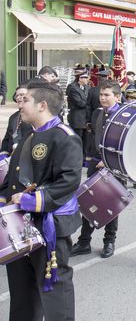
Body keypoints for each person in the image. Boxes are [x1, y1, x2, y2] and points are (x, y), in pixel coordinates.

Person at [0, 79, 82, 320]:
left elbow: (68, 182)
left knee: (54, 290)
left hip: (49, 225)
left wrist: (30, 201)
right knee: (22, 291)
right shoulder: (29, 136)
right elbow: (13, 180)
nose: (20, 105)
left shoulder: (65, 137)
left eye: (25, 100)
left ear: (42, 105)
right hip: (21, 225)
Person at [71, 80, 125, 258]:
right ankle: (84, 241)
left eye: (107, 95)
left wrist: (108, 161)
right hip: (96, 163)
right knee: (89, 202)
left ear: (117, 97)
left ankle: (109, 241)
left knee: (111, 205)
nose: (102, 98)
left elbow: (127, 145)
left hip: (114, 167)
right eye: (101, 94)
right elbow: (93, 137)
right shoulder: (97, 113)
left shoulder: (124, 115)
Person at [0, 84, 31, 160]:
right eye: (17, 96)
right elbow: (6, 140)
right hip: (11, 159)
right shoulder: (13, 117)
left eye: (22, 95)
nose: (18, 98)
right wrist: (3, 155)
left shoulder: (34, 116)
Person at [66, 67, 90, 160]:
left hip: (86, 118)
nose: (87, 79)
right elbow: (80, 103)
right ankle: (76, 159)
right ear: (80, 78)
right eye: (85, 77)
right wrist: (88, 102)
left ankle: (83, 158)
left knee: (85, 140)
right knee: (77, 140)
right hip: (77, 118)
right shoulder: (72, 87)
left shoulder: (87, 87)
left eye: (87, 77)